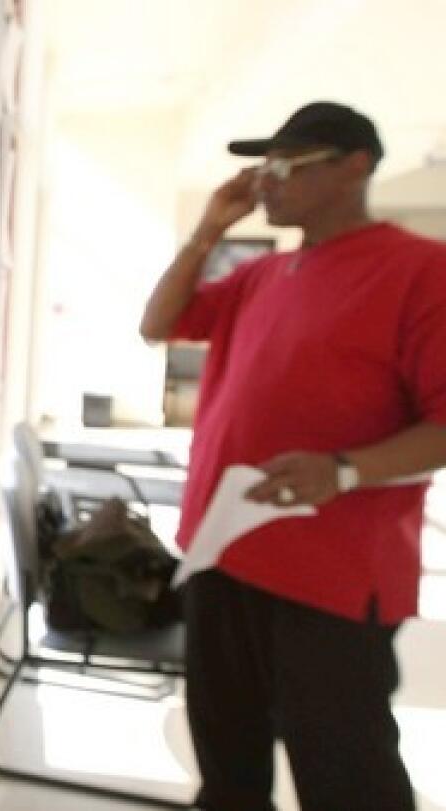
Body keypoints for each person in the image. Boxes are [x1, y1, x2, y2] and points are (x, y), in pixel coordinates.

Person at [140, 101, 446, 810]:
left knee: (346, 775)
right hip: (222, 553)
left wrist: (343, 470)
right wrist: (210, 228)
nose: (266, 182)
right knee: (227, 768)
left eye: (286, 166)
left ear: (355, 168)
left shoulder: (420, 272)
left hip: (330, 577)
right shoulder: (262, 275)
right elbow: (158, 324)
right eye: (261, 168)